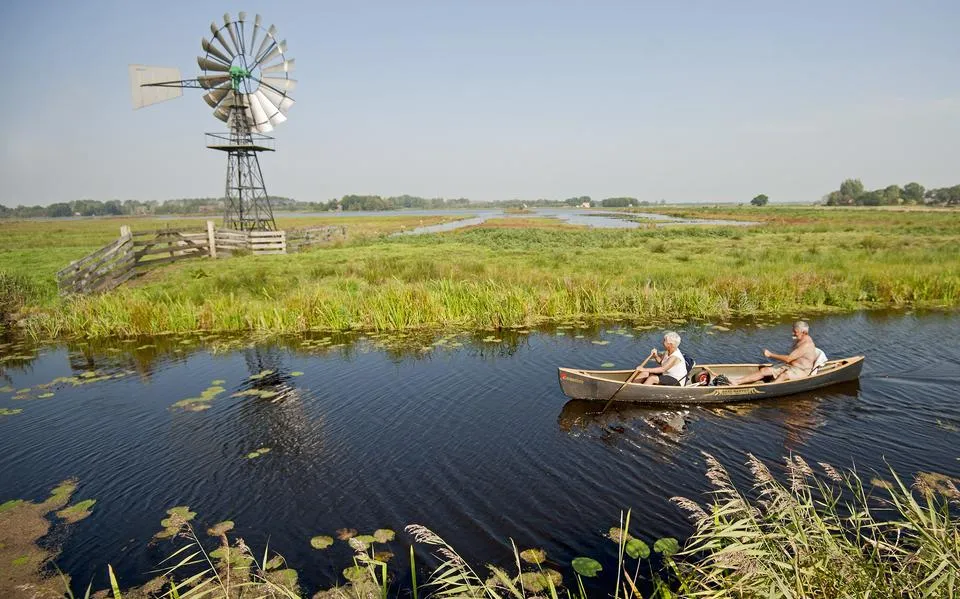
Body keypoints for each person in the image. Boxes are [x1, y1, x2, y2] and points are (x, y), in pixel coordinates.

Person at [732, 321, 818, 385]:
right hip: (790, 365)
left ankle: (769, 389)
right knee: (764, 370)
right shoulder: (799, 339)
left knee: (783, 375)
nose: (793, 333)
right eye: (793, 330)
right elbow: (790, 360)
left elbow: (788, 358)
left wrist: (770, 354)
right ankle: (737, 382)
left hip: (801, 370)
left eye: (795, 332)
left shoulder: (807, 344)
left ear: (804, 332)